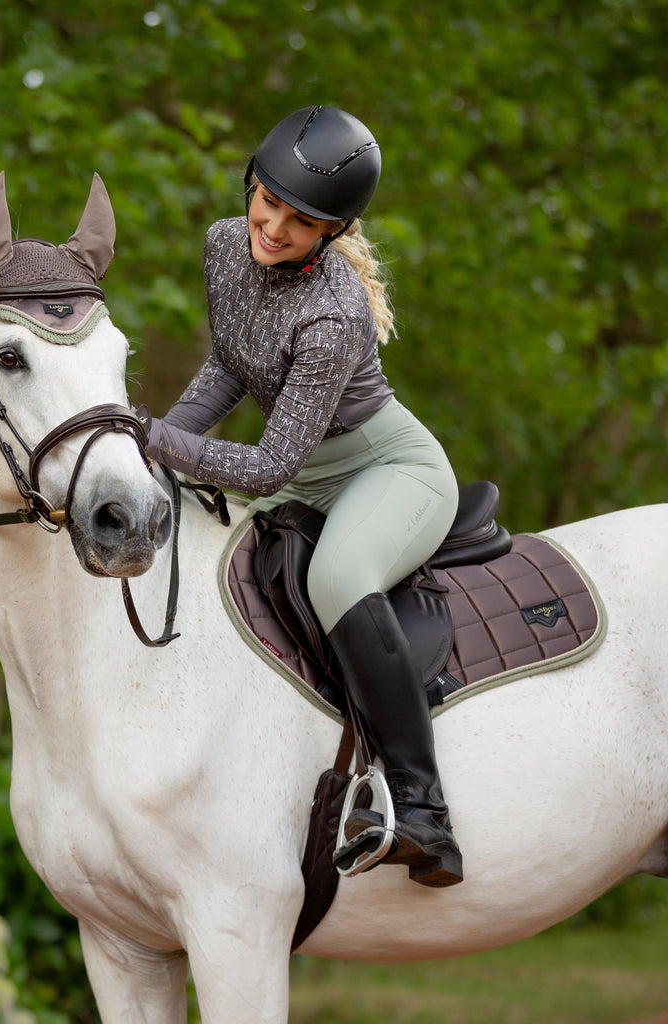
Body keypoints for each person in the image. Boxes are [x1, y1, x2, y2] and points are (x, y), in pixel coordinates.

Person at [140, 105, 463, 888]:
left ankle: (425, 811)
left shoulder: (333, 310)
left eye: (303, 219)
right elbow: (229, 363)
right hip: (303, 470)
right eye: (270, 202)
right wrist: (152, 452)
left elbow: (268, 465)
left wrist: (151, 436)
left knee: (337, 579)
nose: (275, 227)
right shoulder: (223, 243)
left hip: (386, 470)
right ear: (250, 183)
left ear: (335, 231)